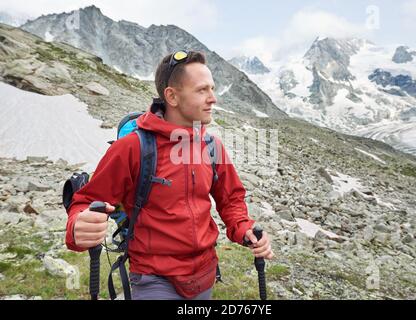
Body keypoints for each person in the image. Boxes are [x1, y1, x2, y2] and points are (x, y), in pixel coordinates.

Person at [65, 50, 274, 300]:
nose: (213, 98)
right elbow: (85, 201)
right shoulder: (133, 147)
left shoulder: (211, 146)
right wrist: (77, 227)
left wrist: (244, 228)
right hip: (155, 278)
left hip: (205, 274)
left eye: (212, 88)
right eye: (202, 90)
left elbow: (231, 200)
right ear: (172, 96)